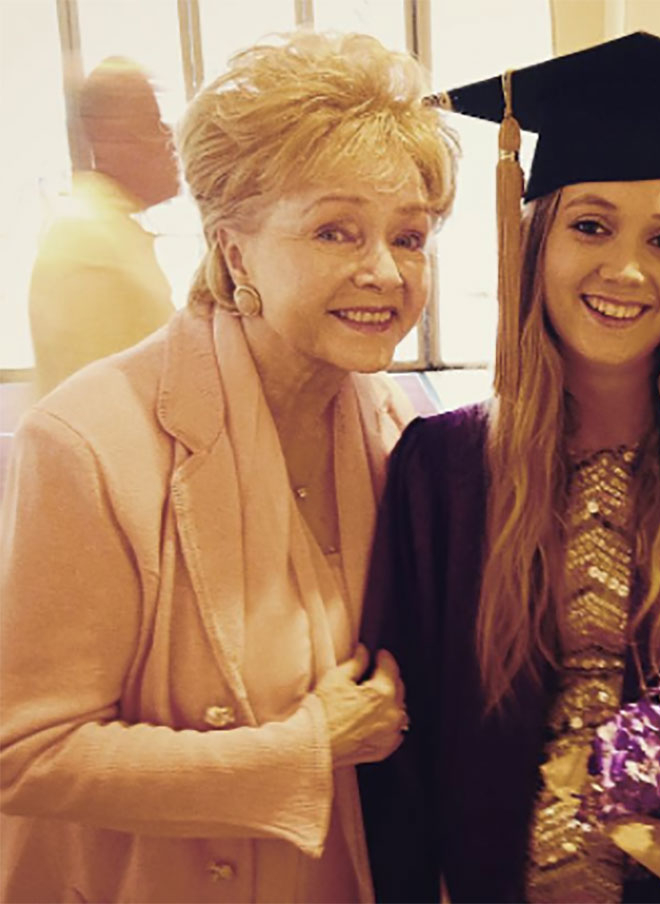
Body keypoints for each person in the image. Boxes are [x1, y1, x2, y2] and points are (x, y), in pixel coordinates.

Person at [358, 32, 660, 903]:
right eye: (590, 225)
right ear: (535, 243)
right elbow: (398, 755)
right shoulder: (442, 471)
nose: (627, 269)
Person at [0, 32, 457, 902]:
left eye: (410, 236)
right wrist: (303, 749)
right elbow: (26, 753)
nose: (384, 271)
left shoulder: (400, 433)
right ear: (235, 251)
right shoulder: (90, 442)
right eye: (335, 230)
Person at [27, 57, 181, 399]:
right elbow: (103, 400)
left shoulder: (112, 232)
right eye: (152, 124)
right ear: (109, 139)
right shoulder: (88, 240)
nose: (169, 139)